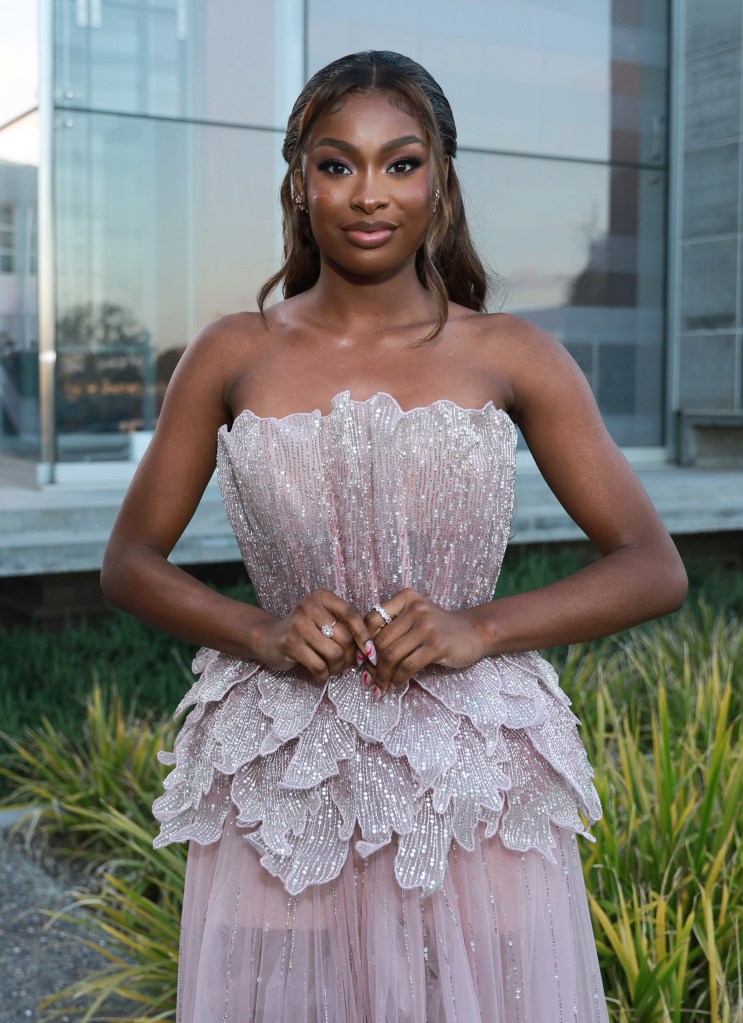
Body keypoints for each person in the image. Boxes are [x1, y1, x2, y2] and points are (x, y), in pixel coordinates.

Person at [101, 50, 687, 1023]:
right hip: (282, 782)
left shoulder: (511, 353)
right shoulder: (229, 353)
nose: (368, 193)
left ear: (441, 178)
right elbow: (128, 561)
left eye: (400, 163)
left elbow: (651, 565)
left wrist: (480, 628)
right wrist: (255, 631)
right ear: (298, 183)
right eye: (337, 165)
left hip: (471, 779)